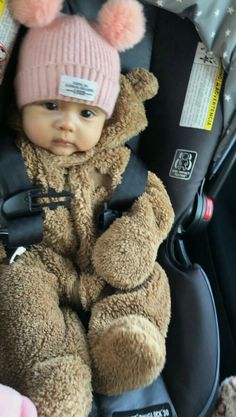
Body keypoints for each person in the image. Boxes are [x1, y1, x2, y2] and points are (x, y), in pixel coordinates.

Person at [0, 1, 174, 416]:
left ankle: (123, 345)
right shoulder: (12, 162)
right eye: (50, 105)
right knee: (18, 296)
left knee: (148, 279)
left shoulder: (119, 165)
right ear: (22, 102)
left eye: (86, 112)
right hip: (38, 263)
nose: (67, 124)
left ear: (107, 116)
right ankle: (56, 373)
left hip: (107, 266)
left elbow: (156, 207)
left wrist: (136, 235)